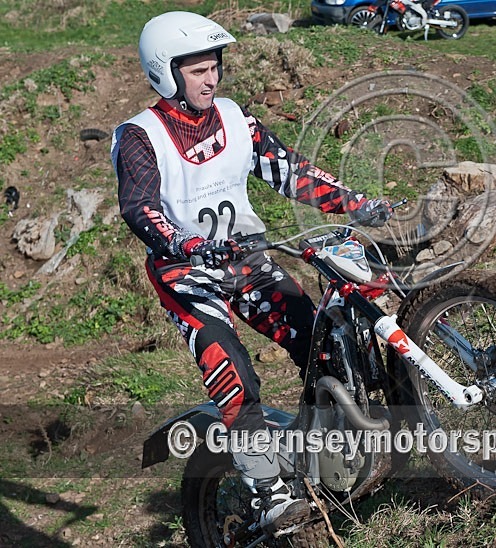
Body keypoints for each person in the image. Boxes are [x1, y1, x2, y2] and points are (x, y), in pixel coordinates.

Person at [111, 11, 392, 532]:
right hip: (186, 274)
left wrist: (358, 203)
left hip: (246, 261)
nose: (210, 78)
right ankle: (266, 493)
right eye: (196, 70)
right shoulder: (140, 137)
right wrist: (184, 241)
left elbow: (290, 171)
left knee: (323, 340)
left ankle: (329, 458)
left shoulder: (236, 119)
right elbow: (139, 207)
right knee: (234, 373)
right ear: (165, 72)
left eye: (213, 66)